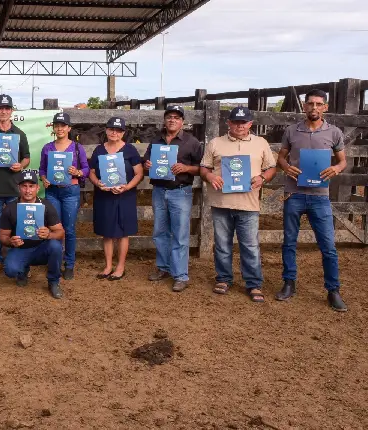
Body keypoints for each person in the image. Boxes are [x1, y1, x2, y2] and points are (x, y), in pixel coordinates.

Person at [276, 89, 348, 312]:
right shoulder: (291, 130)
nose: (314, 108)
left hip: (320, 197)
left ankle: (333, 290)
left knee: (328, 246)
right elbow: (281, 156)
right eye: (310, 104)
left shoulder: (334, 133)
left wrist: (335, 169)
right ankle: (289, 282)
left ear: (325, 107)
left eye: (318, 104)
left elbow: (343, 161)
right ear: (304, 107)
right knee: (289, 242)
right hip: (294, 193)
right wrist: (286, 167)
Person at [200, 107, 277, 303]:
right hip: (221, 201)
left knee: (250, 245)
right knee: (222, 244)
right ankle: (224, 278)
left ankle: (253, 283)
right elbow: (204, 167)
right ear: (229, 123)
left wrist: (262, 178)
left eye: (243, 122)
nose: (239, 126)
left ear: (250, 124)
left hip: (248, 203)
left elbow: (271, 168)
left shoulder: (261, 143)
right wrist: (209, 176)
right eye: (235, 122)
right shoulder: (216, 143)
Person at [142, 106, 203, 292]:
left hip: (180, 191)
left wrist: (186, 168)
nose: (172, 120)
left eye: (176, 118)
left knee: (180, 234)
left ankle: (181, 275)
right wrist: (147, 165)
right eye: (169, 117)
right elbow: (145, 164)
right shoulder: (156, 142)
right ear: (164, 120)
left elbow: (202, 167)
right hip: (159, 191)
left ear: (182, 122)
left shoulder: (191, 142)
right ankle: (164, 268)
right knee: (160, 232)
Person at [88, 117, 144, 281]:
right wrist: (98, 183)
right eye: (111, 129)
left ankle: (120, 267)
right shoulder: (99, 150)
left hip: (124, 196)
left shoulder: (130, 150)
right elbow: (91, 172)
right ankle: (107, 266)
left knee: (123, 232)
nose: (114, 132)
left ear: (123, 133)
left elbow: (139, 173)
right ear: (106, 130)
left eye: (118, 130)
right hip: (104, 195)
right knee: (107, 231)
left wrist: (126, 187)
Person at [0, 94, 31, 278]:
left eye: (7, 108)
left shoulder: (20, 134)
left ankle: (17, 259)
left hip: (14, 189)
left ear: (12, 111)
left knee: (18, 226)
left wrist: (21, 165)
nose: (3, 111)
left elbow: (27, 157)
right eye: (0, 108)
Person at [38, 112, 89, 280]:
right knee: (54, 228)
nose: (59, 128)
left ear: (69, 128)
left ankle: (69, 264)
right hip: (52, 191)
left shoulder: (76, 147)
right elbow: (42, 169)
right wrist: (44, 178)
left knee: (69, 229)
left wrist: (78, 172)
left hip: (70, 192)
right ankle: (55, 263)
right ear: (53, 128)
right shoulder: (47, 147)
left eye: (63, 125)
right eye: (57, 125)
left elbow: (86, 170)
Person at [0, 171, 65, 299]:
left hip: (41, 249)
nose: (28, 190)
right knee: (10, 270)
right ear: (19, 188)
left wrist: (49, 234)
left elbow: (60, 232)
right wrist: (10, 241)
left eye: (31, 186)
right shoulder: (10, 208)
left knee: (56, 247)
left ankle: (53, 282)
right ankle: (23, 271)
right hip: (21, 249)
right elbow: (2, 236)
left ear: (37, 188)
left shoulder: (46, 205)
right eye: (24, 186)